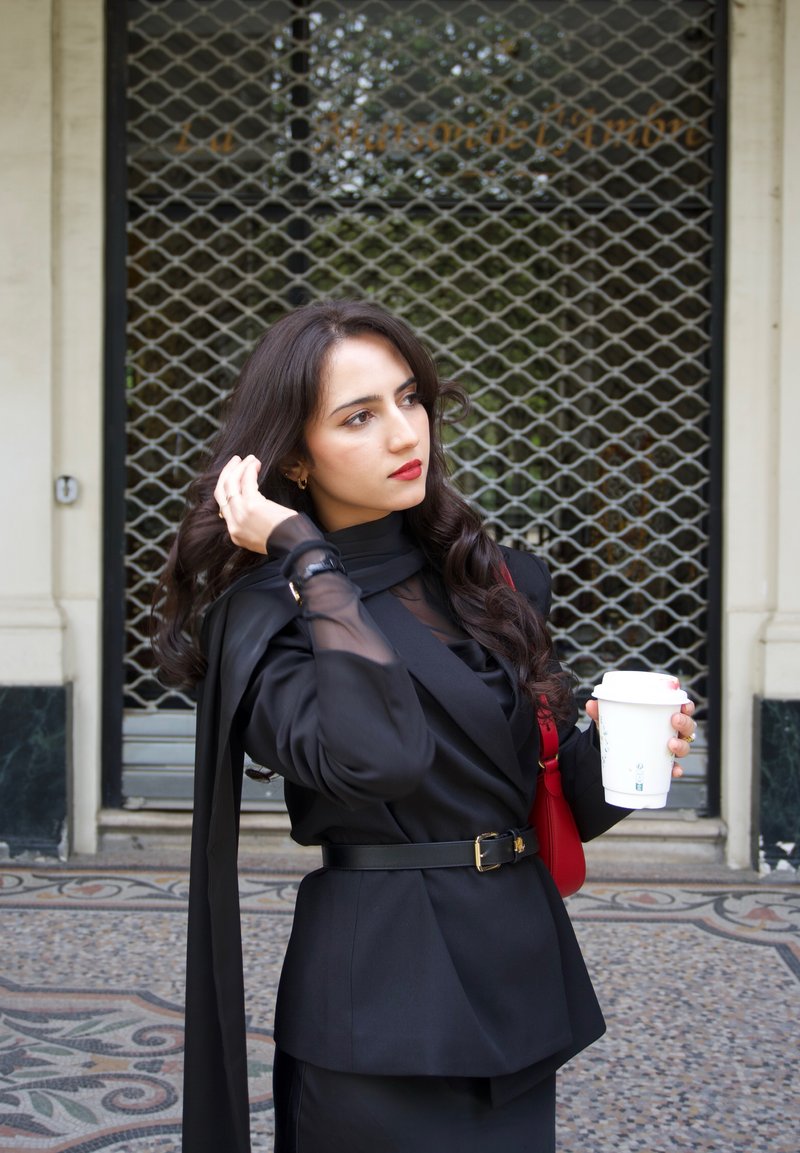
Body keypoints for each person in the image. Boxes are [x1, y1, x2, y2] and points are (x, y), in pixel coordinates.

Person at [152, 298, 696, 1153]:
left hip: (517, 985)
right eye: (359, 416)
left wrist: (621, 761)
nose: (406, 434)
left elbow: (525, 802)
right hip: (381, 1012)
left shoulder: (489, 580)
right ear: (295, 456)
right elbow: (380, 759)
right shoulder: (262, 623)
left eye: (410, 399)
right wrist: (307, 557)